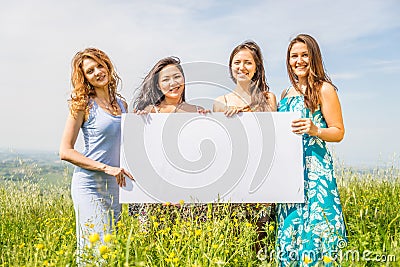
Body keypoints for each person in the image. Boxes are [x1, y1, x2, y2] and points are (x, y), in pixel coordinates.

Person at [276, 34, 347, 266]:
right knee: (291, 228)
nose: (299, 60)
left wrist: (315, 129)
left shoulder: (324, 89)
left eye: (304, 55)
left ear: (313, 57)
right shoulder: (285, 94)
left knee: (318, 230)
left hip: (316, 173)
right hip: (289, 173)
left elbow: (338, 131)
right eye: (294, 56)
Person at [59, 48, 134, 263]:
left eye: (100, 65)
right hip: (89, 184)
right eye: (90, 71)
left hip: (116, 186)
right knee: (100, 248)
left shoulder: (122, 105)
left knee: (112, 249)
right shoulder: (82, 105)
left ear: (107, 65)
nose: (98, 72)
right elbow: (65, 150)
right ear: (85, 78)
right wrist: (105, 168)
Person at [213, 40, 277, 252]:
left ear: (257, 66)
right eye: (237, 62)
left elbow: (275, 138)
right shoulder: (220, 101)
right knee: (234, 238)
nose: (242, 67)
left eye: (248, 62)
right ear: (231, 66)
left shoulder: (268, 99)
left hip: (262, 178)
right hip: (232, 179)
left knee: (261, 238)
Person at [129, 56, 209, 224]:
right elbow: (138, 154)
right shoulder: (148, 112)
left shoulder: (198, 111)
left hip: (189, 194)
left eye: (177, 77)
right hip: (155, 194)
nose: (173, 83)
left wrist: (209, 122)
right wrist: (137, 123)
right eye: (166, 79)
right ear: (158, 85)